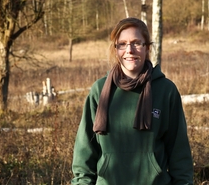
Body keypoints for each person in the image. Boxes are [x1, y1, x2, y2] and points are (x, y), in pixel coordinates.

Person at [71, 17, 194, 185]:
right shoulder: (99, 91)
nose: (129, 50)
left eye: (136, 43)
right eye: (122, 44)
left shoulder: (166, 91)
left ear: (147, 48)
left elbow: (179, 152)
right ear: (116, 49)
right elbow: (84, 153)